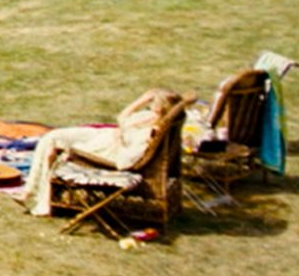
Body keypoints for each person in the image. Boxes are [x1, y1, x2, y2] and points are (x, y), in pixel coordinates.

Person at [23, 88, 185, 216]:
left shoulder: (151, 134)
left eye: (152, 101)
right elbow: (122, 118)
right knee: (51, 136)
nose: (150, 104)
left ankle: (41, 200)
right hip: (103, 137)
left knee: (53, 147)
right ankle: (31, 190)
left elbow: (125, 162)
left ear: (161, 107)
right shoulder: (149, 117)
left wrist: (121, 137)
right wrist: (140, 100)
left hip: (106, 152)